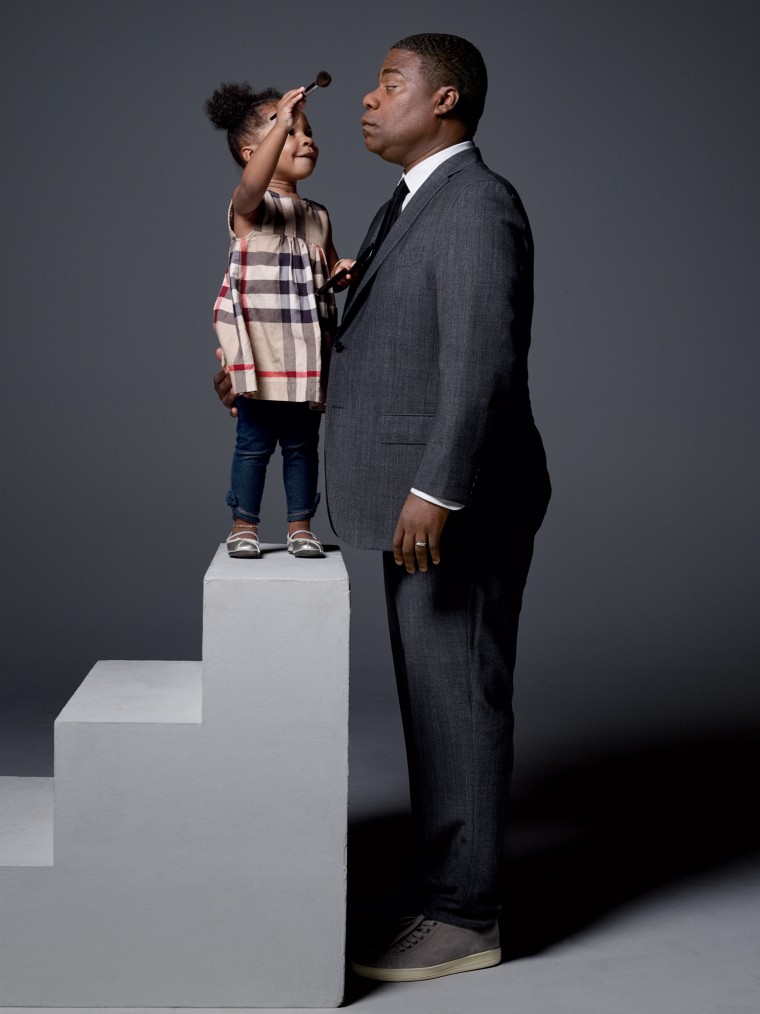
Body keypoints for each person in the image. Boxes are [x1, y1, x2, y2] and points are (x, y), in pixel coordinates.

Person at [214, 34, 551, 981]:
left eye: (388, 85)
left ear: (443, 101)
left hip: (456, 504)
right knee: (435, 701)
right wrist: (252, 362)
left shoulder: (477, 204)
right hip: (418, 502)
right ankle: (441, 887)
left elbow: (481, 360)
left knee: (459, 701)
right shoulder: (417, 203)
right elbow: (372, 328)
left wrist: (436, 489)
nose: (366, 100)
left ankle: (464, 916)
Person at [206, 81, 347, 559]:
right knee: (253, 445)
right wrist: (281, 121)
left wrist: (342, 270)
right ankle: (244, 523)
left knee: (303, 447)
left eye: (307, 131)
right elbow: (250, 185)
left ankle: (300, 526)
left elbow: (328, 267)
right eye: (289, 132)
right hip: (262, 354)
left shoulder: (318, 215)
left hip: (305, 351)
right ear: (254, 152)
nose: (305, 138)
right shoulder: (250, 209)